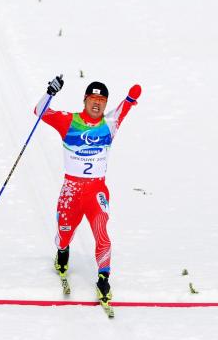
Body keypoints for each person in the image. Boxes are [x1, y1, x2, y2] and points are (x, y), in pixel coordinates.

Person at [35, 76, 141, 302]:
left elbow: (126, 105)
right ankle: (62, 252)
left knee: (101, 230)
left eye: (102, 100)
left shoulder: (110, 123)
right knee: (64, 233)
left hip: (96, 190)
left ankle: (104, 278)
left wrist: (132, 97)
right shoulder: (68, 121)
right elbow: (39, 111)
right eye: (93, 98)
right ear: (85, 100)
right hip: (71, 190)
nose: (97, 103)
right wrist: (50, 92)